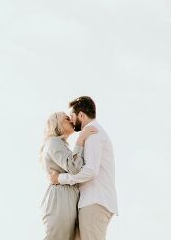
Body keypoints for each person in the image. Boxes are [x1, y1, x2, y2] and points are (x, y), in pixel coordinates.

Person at [49, 96, 117, 240]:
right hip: (92, 201)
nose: (71, 121)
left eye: (72, 117)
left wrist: (60, 178)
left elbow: (91, 170)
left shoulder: (92, 132)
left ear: (81, 115)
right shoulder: (92, 133)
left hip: (94, 201)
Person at [40, 112, 97, 240]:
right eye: (66, 118)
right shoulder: (53, 142)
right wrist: (80, 140)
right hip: (59, 200)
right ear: (57, 124)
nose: (71, 120)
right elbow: (74, 168)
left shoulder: (61, 145)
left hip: (66, 199)